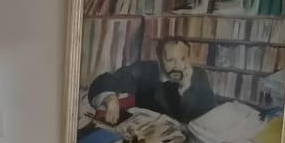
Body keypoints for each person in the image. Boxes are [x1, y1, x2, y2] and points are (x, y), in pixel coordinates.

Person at [88, 36, 219, 126]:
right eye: (171, 60)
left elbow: (210, 117)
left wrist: (185, 87)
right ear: (159, 59)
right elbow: (106, 79)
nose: (179, 66)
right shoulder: (144, 71)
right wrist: (111, 99)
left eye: (183, 58)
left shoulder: (199, 76)